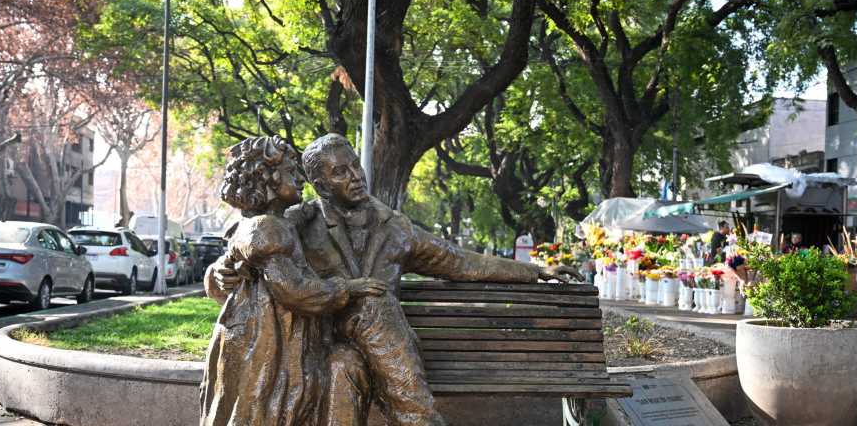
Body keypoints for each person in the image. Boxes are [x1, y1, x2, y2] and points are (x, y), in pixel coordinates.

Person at [208, 134, 581, 426]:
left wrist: (534, 271)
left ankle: (416, 416)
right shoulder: (297, 222)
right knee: (346, 356)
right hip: (320, 343)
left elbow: (458, 262)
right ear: (320, 184)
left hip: (372, 340)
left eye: (355, 166)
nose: (355, 177)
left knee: (363, 325)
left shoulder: (396, 228)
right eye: (340, 172)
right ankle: (419, 418)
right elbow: (238, 262)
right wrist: (218, 275)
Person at [200, 137, 386, 426]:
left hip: (299, 343)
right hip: (270, 343)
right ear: (269, 181)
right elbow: (294, 291)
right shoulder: (270, 227)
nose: (301, 179)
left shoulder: (285, 221)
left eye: (355, 167)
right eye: (292, 172)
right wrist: (347, 287)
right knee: (261, 405)